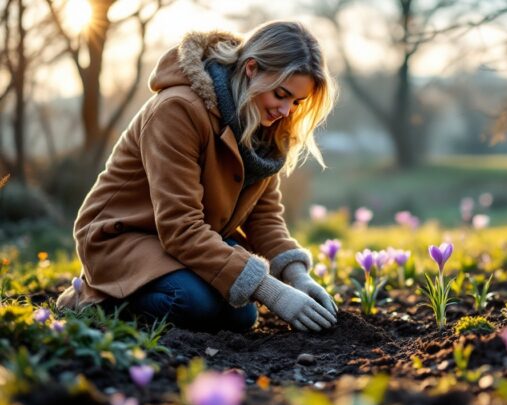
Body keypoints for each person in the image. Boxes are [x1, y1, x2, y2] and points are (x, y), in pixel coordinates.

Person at [56, 21, 338, 333]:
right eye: (282, 94)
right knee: (194, 304)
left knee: (241, 316)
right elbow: (179, 225)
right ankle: (90, 299)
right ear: (251, 69)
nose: (286, 111)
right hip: (124, 238)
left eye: (297, 102)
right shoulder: (179, 109)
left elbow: (264, 216)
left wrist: (297, 277)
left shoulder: (262, 122)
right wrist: (273, 292)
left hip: (189, 241)